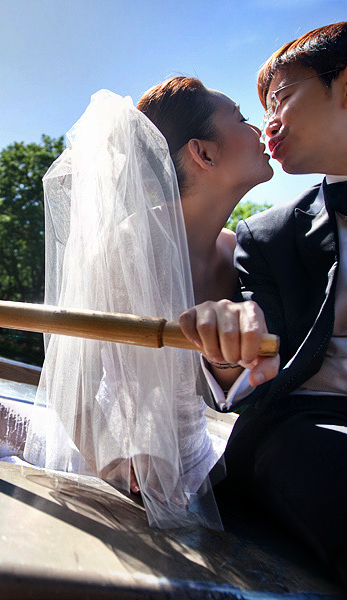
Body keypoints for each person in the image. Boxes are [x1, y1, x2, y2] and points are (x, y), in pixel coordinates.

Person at [23, 77, 276, 530]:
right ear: (204, 153)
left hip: (201, 465)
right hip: (123, 468)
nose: (258, 128)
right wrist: (118, 461)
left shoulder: (240, 251)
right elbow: (75, 378)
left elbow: (227, 389)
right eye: (241, 118)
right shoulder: (128, 247)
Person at [190, 22, 347, 584]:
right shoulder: (268, 235)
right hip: (309, 429)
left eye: (281, 96)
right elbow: (257, 356)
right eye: (258, 108)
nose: (269, 122)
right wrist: (226, 343)